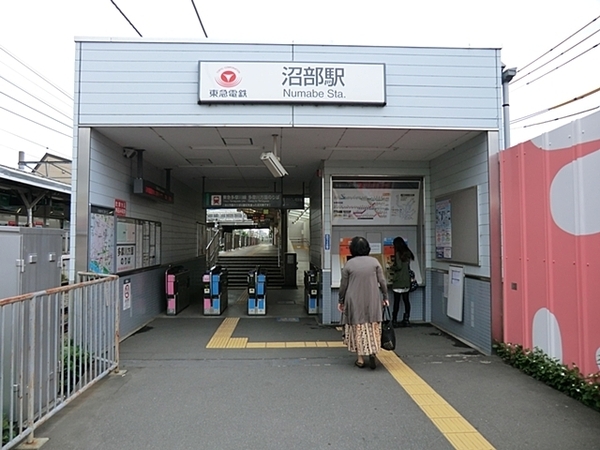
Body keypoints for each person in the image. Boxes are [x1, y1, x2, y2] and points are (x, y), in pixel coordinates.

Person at [337, 236, 389, 370]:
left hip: (354, 300)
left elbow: (343, 285)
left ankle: (360, 359)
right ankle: (373, 352)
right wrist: (385, 296)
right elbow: (382, 281)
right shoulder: (375, 262)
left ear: (352, 249)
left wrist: (340, 300)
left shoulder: (349, 264)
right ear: (367, 248)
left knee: (357, 328)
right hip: (373, 299)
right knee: (373, 326)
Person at [391, 236, 415, 327]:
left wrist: (391, 267)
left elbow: (398, 267)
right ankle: (406, 319)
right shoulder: (408, 253)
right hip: (406, 281)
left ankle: (394, 320)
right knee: (406, 301)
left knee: (396, 302)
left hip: (398, 281)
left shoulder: (398, 253)